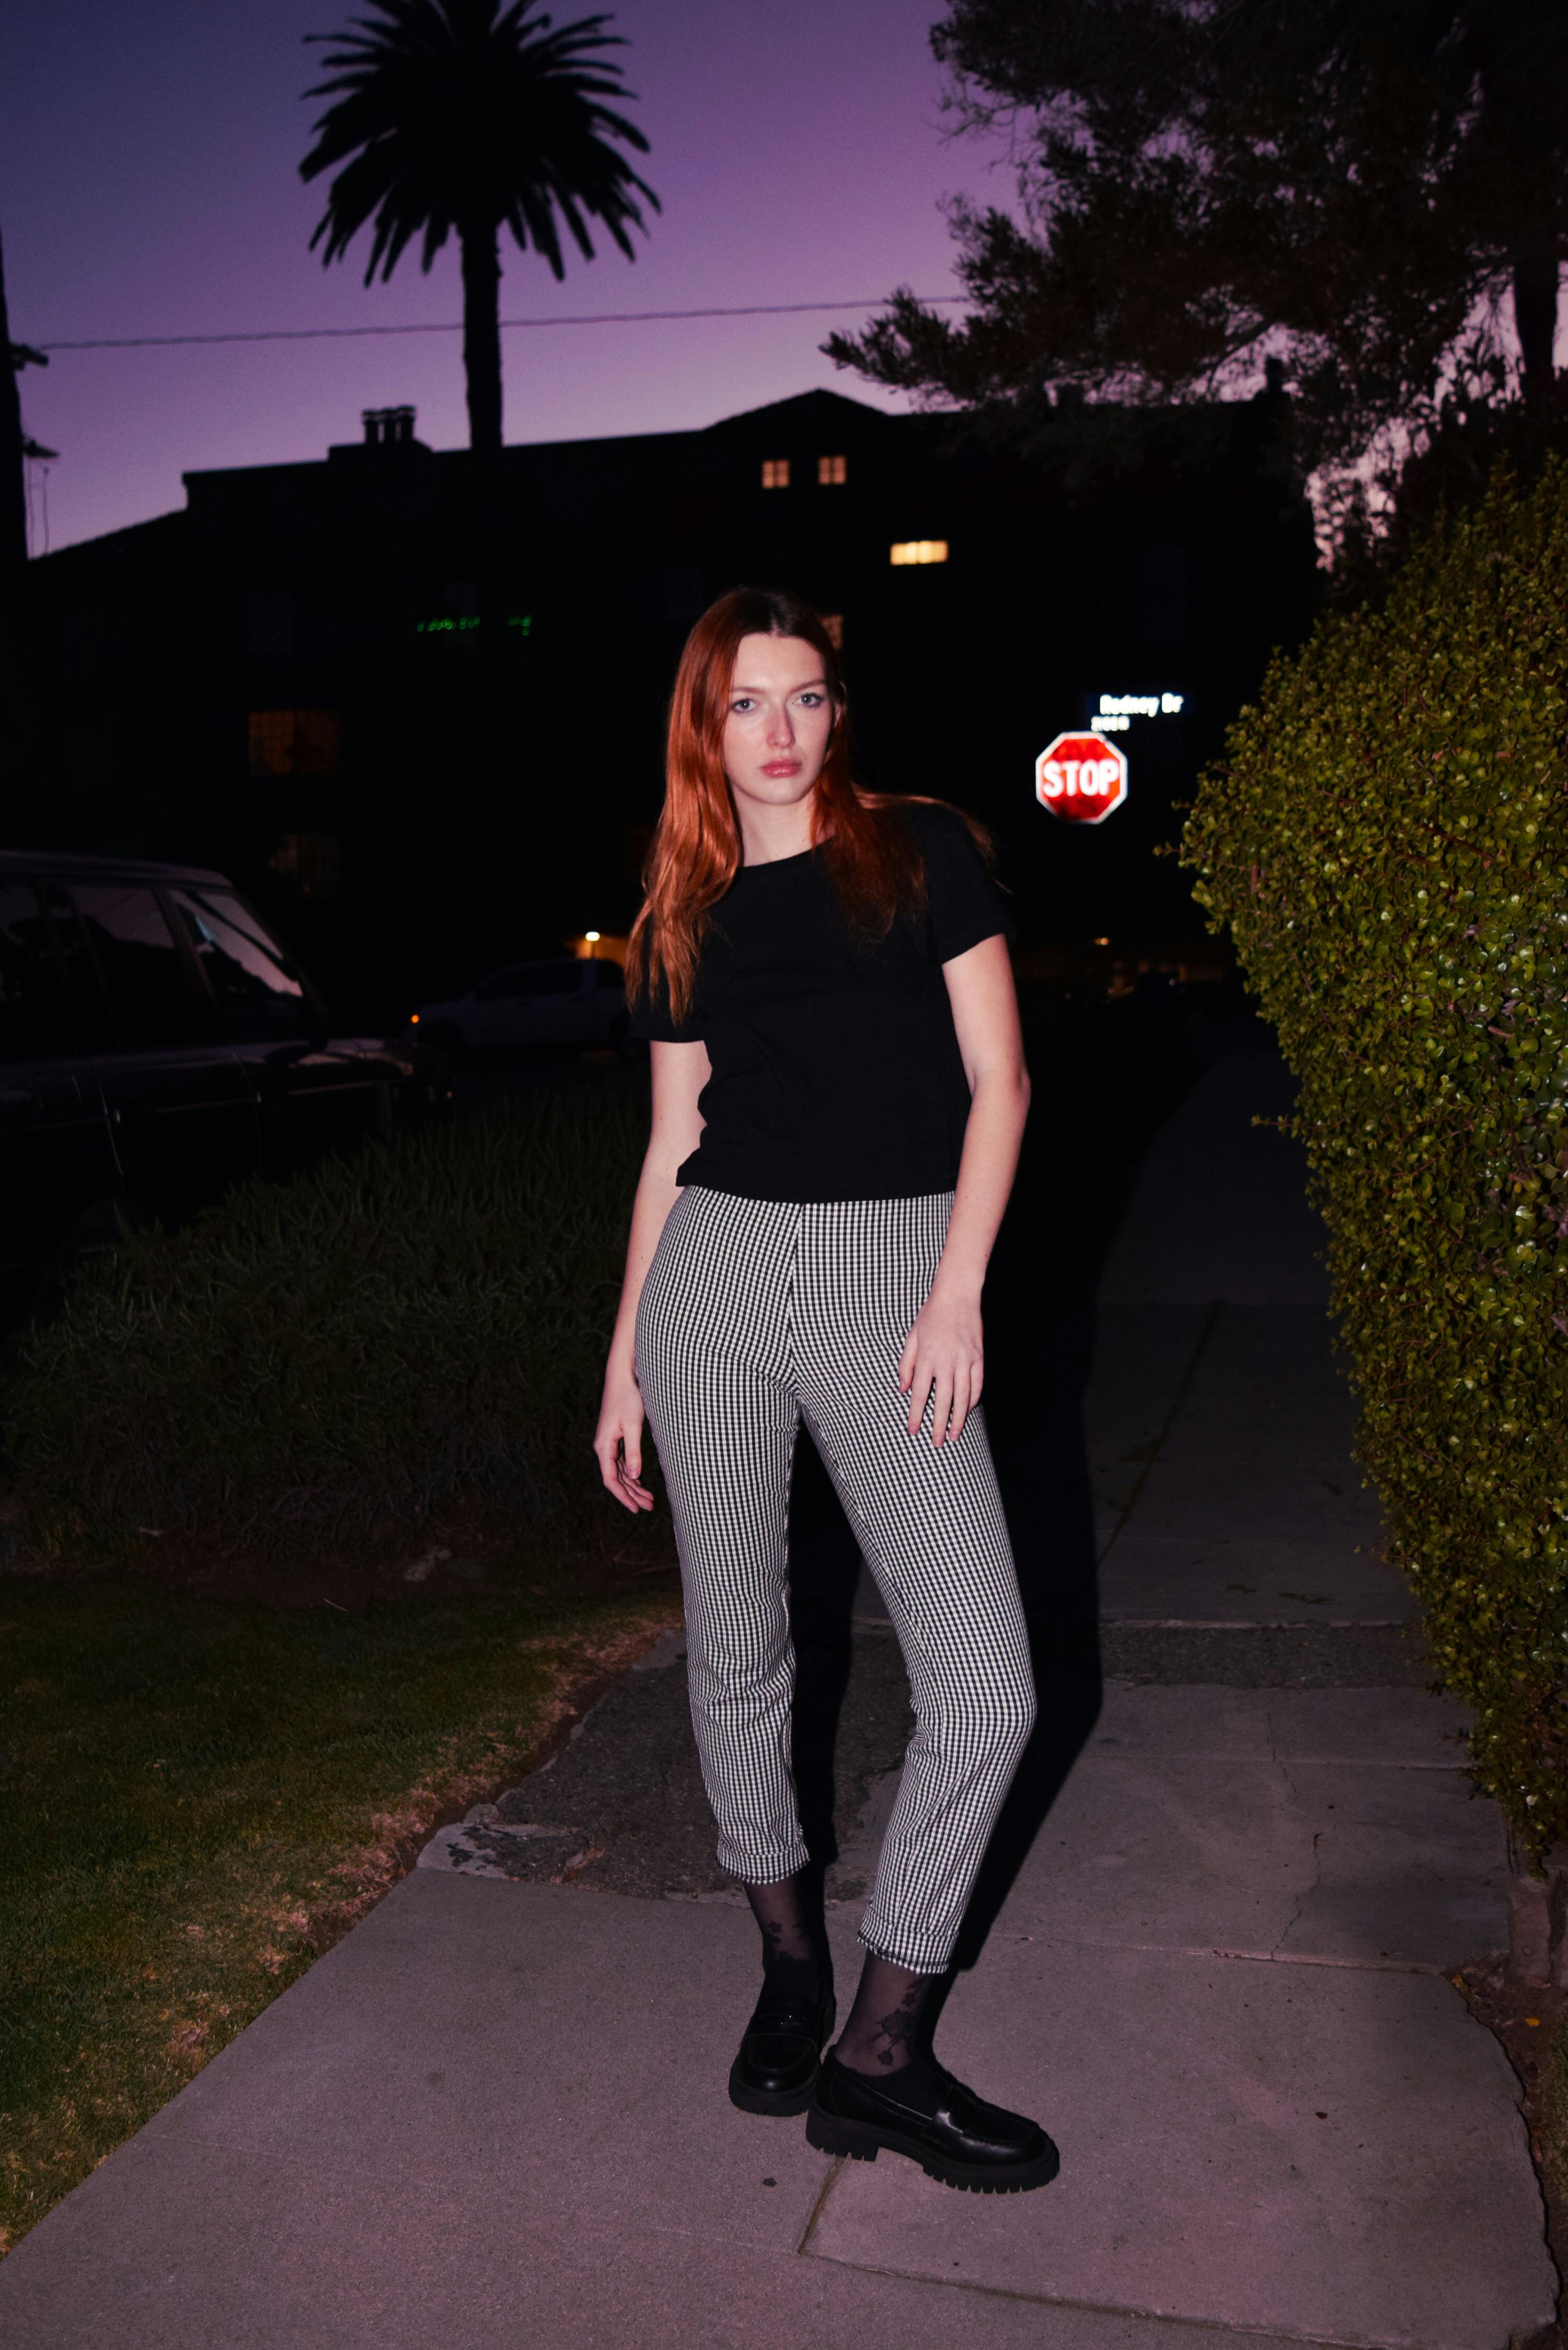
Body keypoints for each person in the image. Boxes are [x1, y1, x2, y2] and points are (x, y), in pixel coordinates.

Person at [593, 587, 1057, 2194]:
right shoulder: (681, 910)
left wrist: (956, 1293)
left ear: (836, 712)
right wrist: (621, 1361)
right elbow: (670, 1150)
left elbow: (1000, 1083)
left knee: (989, 1682)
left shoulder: (920, 852)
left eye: (805, 698)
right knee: (740, 1647)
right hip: (712, 1284)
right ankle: (789, 1963)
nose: (780, 732)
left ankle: (882, 2046)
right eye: (746, 705)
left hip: (893, 1279)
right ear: (703, 728)